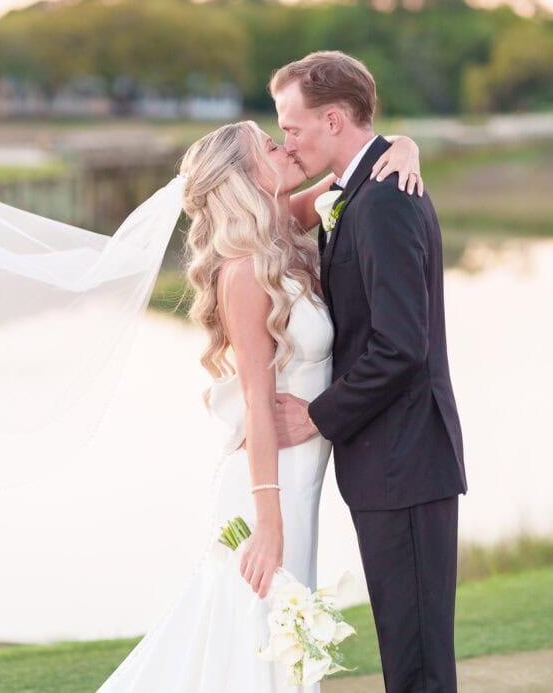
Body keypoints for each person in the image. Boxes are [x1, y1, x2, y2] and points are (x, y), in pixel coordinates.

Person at [96, 120, 423, 692]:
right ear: (245, 178)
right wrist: (268, 521)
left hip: (300, 479)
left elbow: (360, 166)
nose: (286, 146)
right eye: (270, 147)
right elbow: (255, 400)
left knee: (274, 643)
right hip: (268, 486)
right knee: (255, 640)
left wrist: (407, 147)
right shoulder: (245, 270)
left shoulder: (282, 230)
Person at [271, 51, 467, 693]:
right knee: (408, 655)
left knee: (416, 664)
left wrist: (317, 416)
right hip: (390, 463)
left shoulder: (381, 200)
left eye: (292, 127)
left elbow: (400, 346)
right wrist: (405, 142)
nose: (285, 141)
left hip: (404, 461)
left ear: (332, 119)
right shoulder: (357, 189)